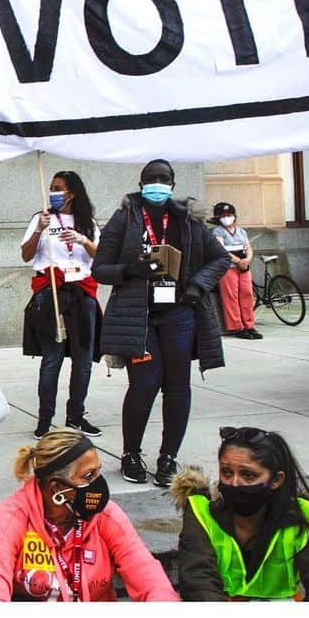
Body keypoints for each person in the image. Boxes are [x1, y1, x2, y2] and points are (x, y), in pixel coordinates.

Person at [93, 158, 231, 489]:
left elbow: (221, 258)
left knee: (177, 386)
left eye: (163, 178)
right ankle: (130, 454)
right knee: (144, 383)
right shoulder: (125, 217)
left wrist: (197, 286)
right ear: (141, 184)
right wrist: (129, 270)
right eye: (151, 178)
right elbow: (100, 268)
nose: (158, 183)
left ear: (173, 184)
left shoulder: (189, 220)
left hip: (179, 313)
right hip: (139, 316)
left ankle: (168, 457)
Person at [0, 429, 178, 601]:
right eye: (89, 475)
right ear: (56, 489)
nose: (99, 483)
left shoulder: (106, 515)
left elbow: (148, 574)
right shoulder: (10, 518)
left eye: (98, 472)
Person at [171, 426, 309, 601]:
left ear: (276, 480)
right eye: (226, 472)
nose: (234, 483)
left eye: (248, 475)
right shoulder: (200, 510)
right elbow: (198, 582)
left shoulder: (304, 516)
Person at [20, 170, 102, 438]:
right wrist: (40, 231)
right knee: (52, 358)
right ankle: (45, 419)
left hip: (81, 291)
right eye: (52, 187)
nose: (54, 192)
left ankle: (76, 416)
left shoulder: (86, 221)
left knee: (83, 360)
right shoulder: (41, 218)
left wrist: (83, 239)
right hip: (51, 292)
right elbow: (26, 255)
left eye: (59, 188)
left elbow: (100, 257)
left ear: (72, 193)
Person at [208, 202, 261, 340]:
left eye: (229, 215)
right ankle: (237, 327)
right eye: (223, 215)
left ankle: (249, 325)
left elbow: (248, 247)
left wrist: (247, 259)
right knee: (230, 296)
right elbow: (221, 249)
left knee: (247, 294)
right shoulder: (217, 231)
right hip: (228, 267)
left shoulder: (241, 231)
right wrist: (237, 261)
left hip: (244, 267)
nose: (227, 217)